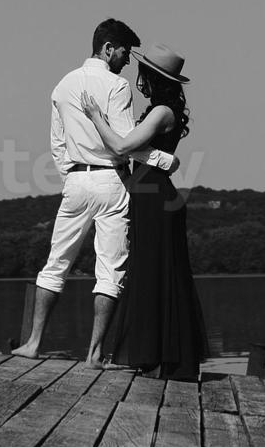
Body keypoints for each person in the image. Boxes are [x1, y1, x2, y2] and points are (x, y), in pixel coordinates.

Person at [12, 19, 177, 363]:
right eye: (124, 52)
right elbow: (123, 146)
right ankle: (94, 353)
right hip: (110, 181)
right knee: (110, 270)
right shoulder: (116, 87)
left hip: (75, 180)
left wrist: (71, 174)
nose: (127, 61)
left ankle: (32, 344)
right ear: (107, 48)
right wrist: (163, 159)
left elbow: (57, 143)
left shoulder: (62, 85)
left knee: (55, 263)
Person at [80, 41, 208, 378]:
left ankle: (161, 359)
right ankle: (156, 357)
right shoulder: (161, 110)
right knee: (152, 274)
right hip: (148, 193)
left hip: (156, 198)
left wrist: (96, 117)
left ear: (153, 77)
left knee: (157, 275)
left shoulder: (162, 112)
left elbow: (122, 145)